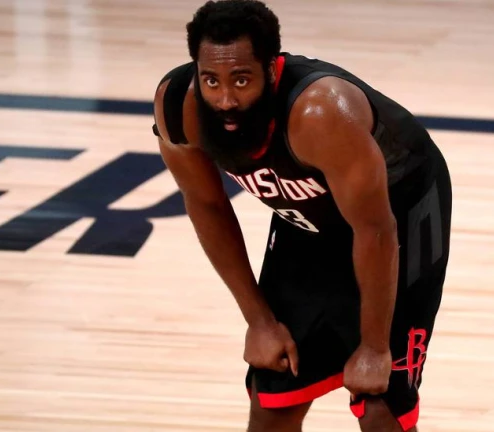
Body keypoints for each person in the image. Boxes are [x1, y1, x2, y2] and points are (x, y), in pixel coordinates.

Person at [151, 1, 452, 430]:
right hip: (310, 217)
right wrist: (259, 320)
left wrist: (373, 347)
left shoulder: (320, 115)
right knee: (272, 401)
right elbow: (206, 205)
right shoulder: (177, 108)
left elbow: (375, 229)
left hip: (397, 212)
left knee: (380, 408)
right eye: (211, 80)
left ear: (272, 71)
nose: (226, 99)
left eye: (242, 79)